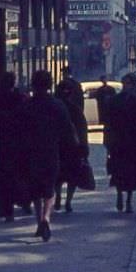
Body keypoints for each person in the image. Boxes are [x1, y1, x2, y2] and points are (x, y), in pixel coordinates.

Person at [24, 70, 78, 241]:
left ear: (33, 84)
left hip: (31, 151)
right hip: (51, 151)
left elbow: (18, 130)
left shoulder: (27, 105)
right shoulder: (57, 105)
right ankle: (46, 217)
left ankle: (38, 219)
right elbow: (67, 130)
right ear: (49, 85)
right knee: (50, 188)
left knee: (35, 190)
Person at [0, 71, 29, 222]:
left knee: (4, 178)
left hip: (2, 142)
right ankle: (25, 202)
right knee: (21, 174)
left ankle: (7, 211)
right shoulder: (21, 98)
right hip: (19, 142)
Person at [105, 74, 136, 213]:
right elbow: (108, 122)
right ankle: (119, 195)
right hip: (118, 142)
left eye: (129, 84)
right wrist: (108, 141)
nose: (127, 86)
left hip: (133, 143)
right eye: (125, 84)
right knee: (118, 172)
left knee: (131, 174)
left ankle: (128, 199)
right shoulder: (114, 101)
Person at [54, 72, 89, 213]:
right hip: (73, 148)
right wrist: (84, 149)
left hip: (57, 147)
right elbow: (82, 130)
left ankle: (57, 196)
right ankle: (68, 200)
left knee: (58, 176)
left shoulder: (54, 108)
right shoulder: (75, 110)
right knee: (72, 176)